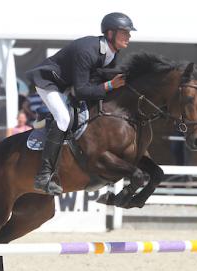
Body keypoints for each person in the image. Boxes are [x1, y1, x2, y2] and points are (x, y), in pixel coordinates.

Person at [26, 12, 136, 195]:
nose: (129, 36)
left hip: (69, 86)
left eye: (129, 33)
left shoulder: (111, 54)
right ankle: (43, 175)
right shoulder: (88, 50)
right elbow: (83, 90)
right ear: (110, 33)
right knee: (63, 118)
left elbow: (95, 82)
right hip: (50, 83)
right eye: (124, 32)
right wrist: (109, 85)